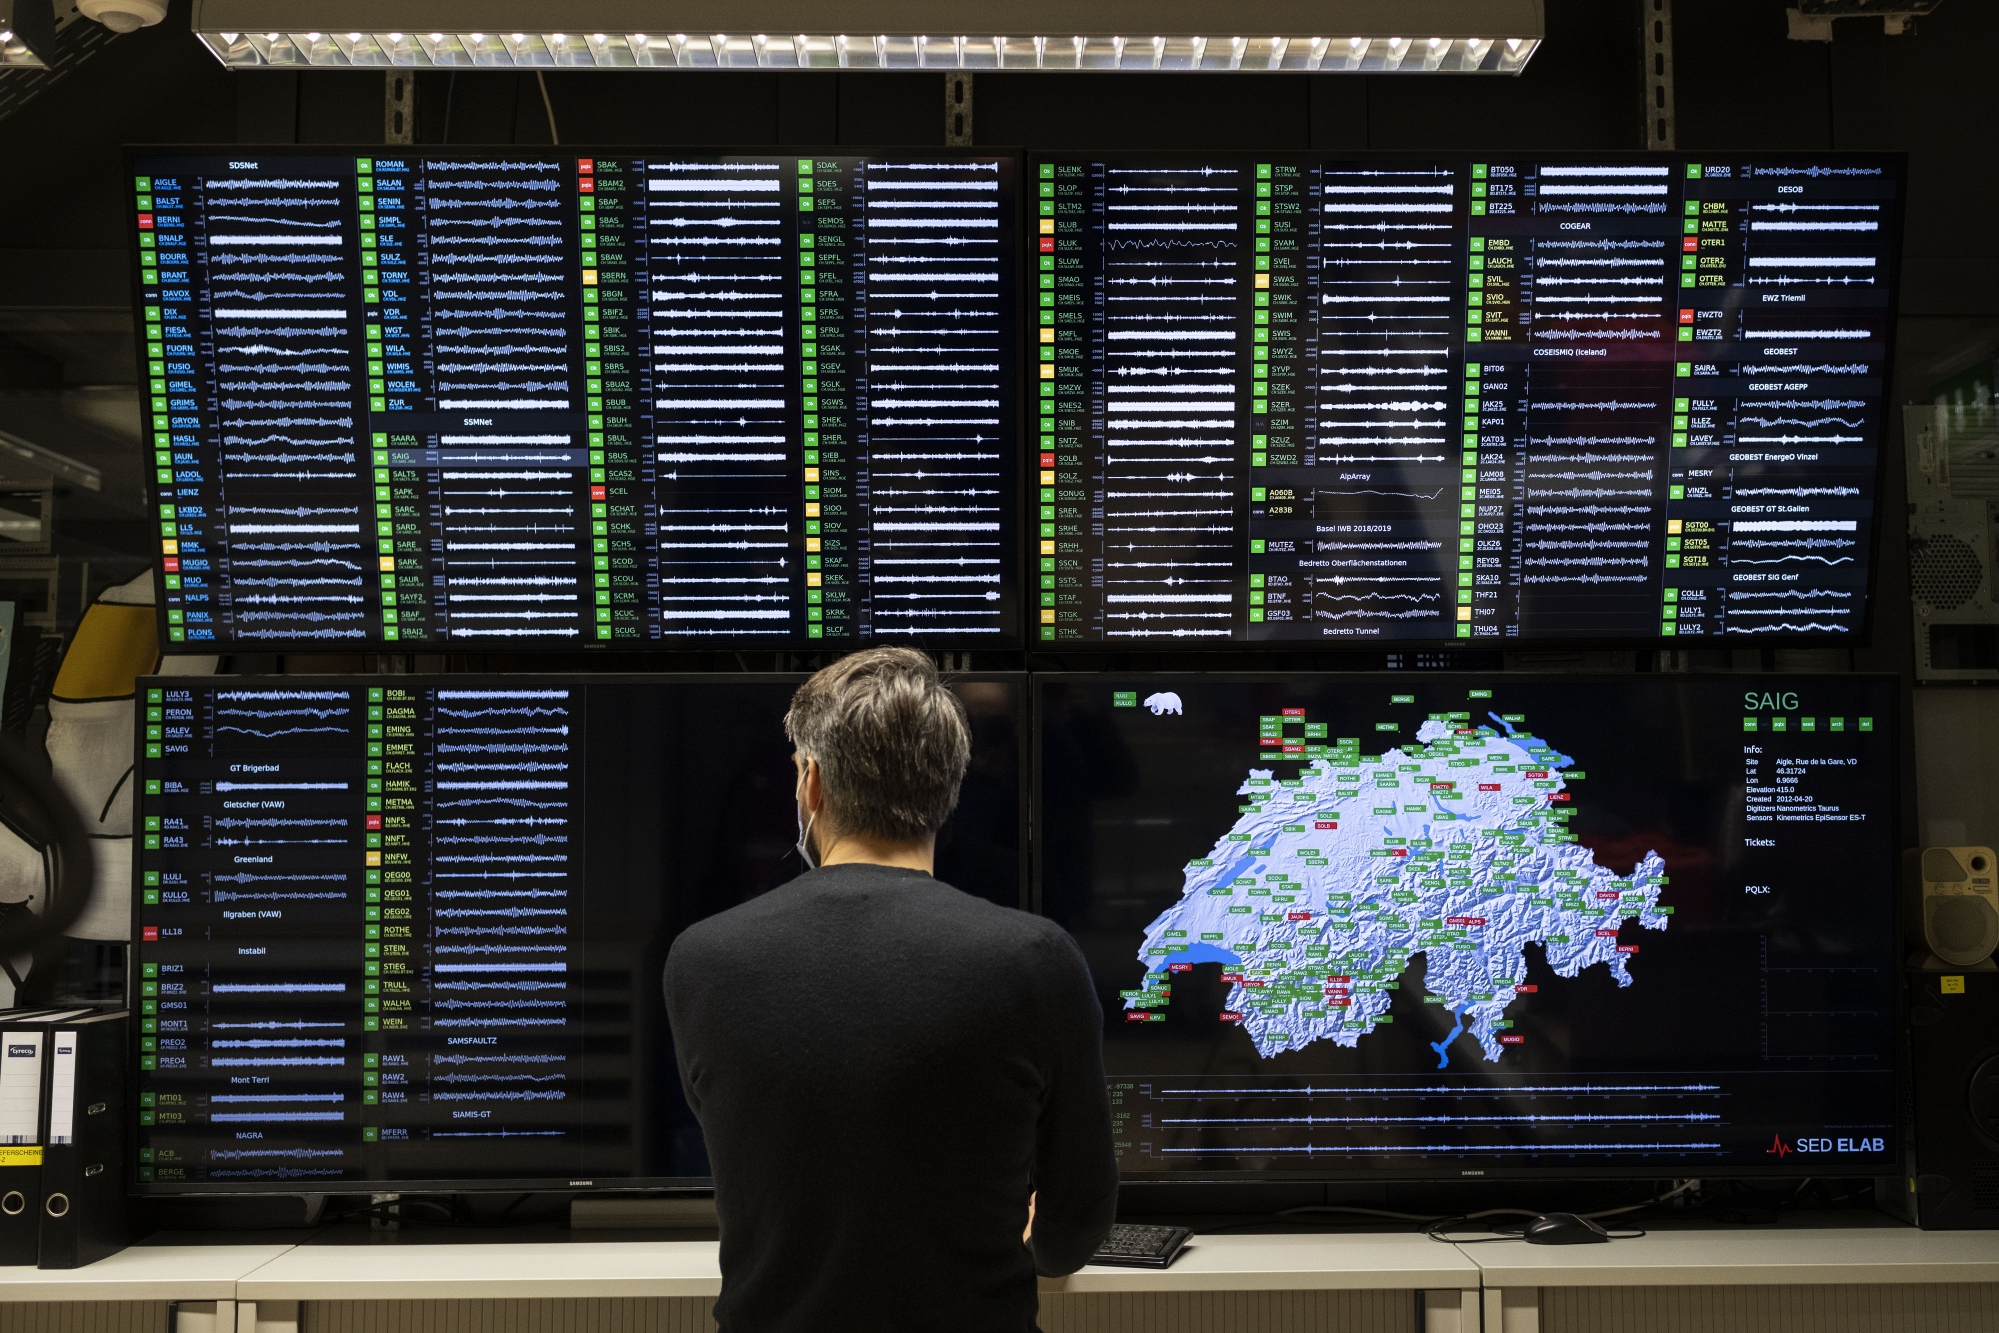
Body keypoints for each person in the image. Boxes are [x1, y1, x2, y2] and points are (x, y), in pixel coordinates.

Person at [663, 648, 1119, 1333]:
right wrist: (1038, 1236)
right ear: (947, 785)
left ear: (810, 783)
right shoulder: (1035, 958)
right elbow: (1078, 1220)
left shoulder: (701, 959)